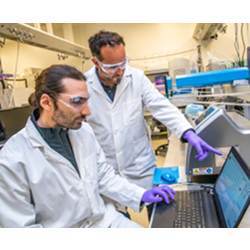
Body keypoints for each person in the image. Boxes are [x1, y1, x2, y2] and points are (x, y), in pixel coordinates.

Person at [0, 64, 176, 228]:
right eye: (77, 102)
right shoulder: (12, 161)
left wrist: (141, 195)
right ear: (46, 102)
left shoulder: (83, 132)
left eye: (86, 101)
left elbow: (103, 176)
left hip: (105, 221)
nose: (87, 111)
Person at [85, 30, 222, 191]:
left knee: (156, 205)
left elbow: (161, 106)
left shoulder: (136, 77)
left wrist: (188, 133)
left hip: (140, 166)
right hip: (107, 169)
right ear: (96, 62)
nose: (120, 71)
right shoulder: (84, 85)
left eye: (123, 63)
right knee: (116, 214)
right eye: (113, 67)